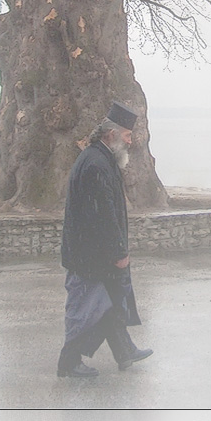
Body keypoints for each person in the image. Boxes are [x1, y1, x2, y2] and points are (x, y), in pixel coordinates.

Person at [57, 101, 153, 377]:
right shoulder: (96, 165)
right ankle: (68, 363)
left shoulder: (98, 158)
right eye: (126, 136)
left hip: (92, 253)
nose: (130, 141)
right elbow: (103, 216)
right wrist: (119, 252)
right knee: (86, 311)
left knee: (109, 304)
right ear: (111, 135)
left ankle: (125, 352)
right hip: (90, 257)